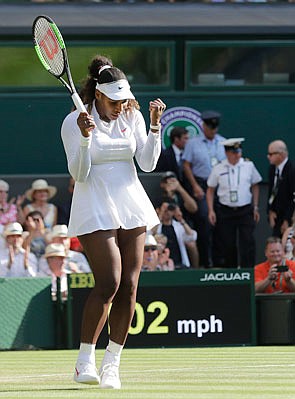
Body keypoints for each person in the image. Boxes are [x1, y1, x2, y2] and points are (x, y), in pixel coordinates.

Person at [61, 54, 166, 389]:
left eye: (125, 100)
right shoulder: (73, 121)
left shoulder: (132, 115)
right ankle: (84, 361)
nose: (121, 106)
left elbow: (147, 163)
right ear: (100, 96)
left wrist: (153, 125)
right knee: (109, 281)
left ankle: (112, 365)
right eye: (115, 100)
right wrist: (85, 137)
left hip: (130, 201)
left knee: (130, 285)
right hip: (93, 201)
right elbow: (79, 173)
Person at [206, 138, 262, 268]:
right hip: (226, 210)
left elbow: (255, 185)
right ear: (227, 153)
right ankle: (231, 272)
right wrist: (211, 210)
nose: (237, 155)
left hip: (245, 209)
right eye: (234, 152)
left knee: (247, 241)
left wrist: (256, 206)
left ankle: (248, 272)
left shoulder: (248, 166)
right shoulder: (219, 167)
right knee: (227, 243)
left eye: (238, 152)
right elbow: (210, 189)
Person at [182, 110, 226, 267]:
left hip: (220, 187)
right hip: (202, 184)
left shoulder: (223, 142)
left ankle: (220, 261)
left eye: (215, 129)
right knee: (205, 221)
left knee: (221, 224)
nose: (213, 131)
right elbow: (186, 165)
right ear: (203, 126)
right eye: (210, 128)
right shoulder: (193, 143)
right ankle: (206, 262)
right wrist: (194, 186)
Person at [152, 201, 197, 268]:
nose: (167, 212)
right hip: (161, 264)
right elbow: (151, 234)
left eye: (170, 210)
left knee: (192, 244)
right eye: (165, 210)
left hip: (179, 263)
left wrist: (181, 219)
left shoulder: (178, 226)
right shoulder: (156, 226)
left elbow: (192, 236)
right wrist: (160, 215)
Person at [267, 140, 295, 238]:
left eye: (271, 154)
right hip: (277, 216)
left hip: (289, 217)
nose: (268, 157)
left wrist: (287, 219)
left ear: (281, 154)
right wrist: (270, 210)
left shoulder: (291, 170)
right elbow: (272, 191)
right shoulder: (272, 169)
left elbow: (293, 197)